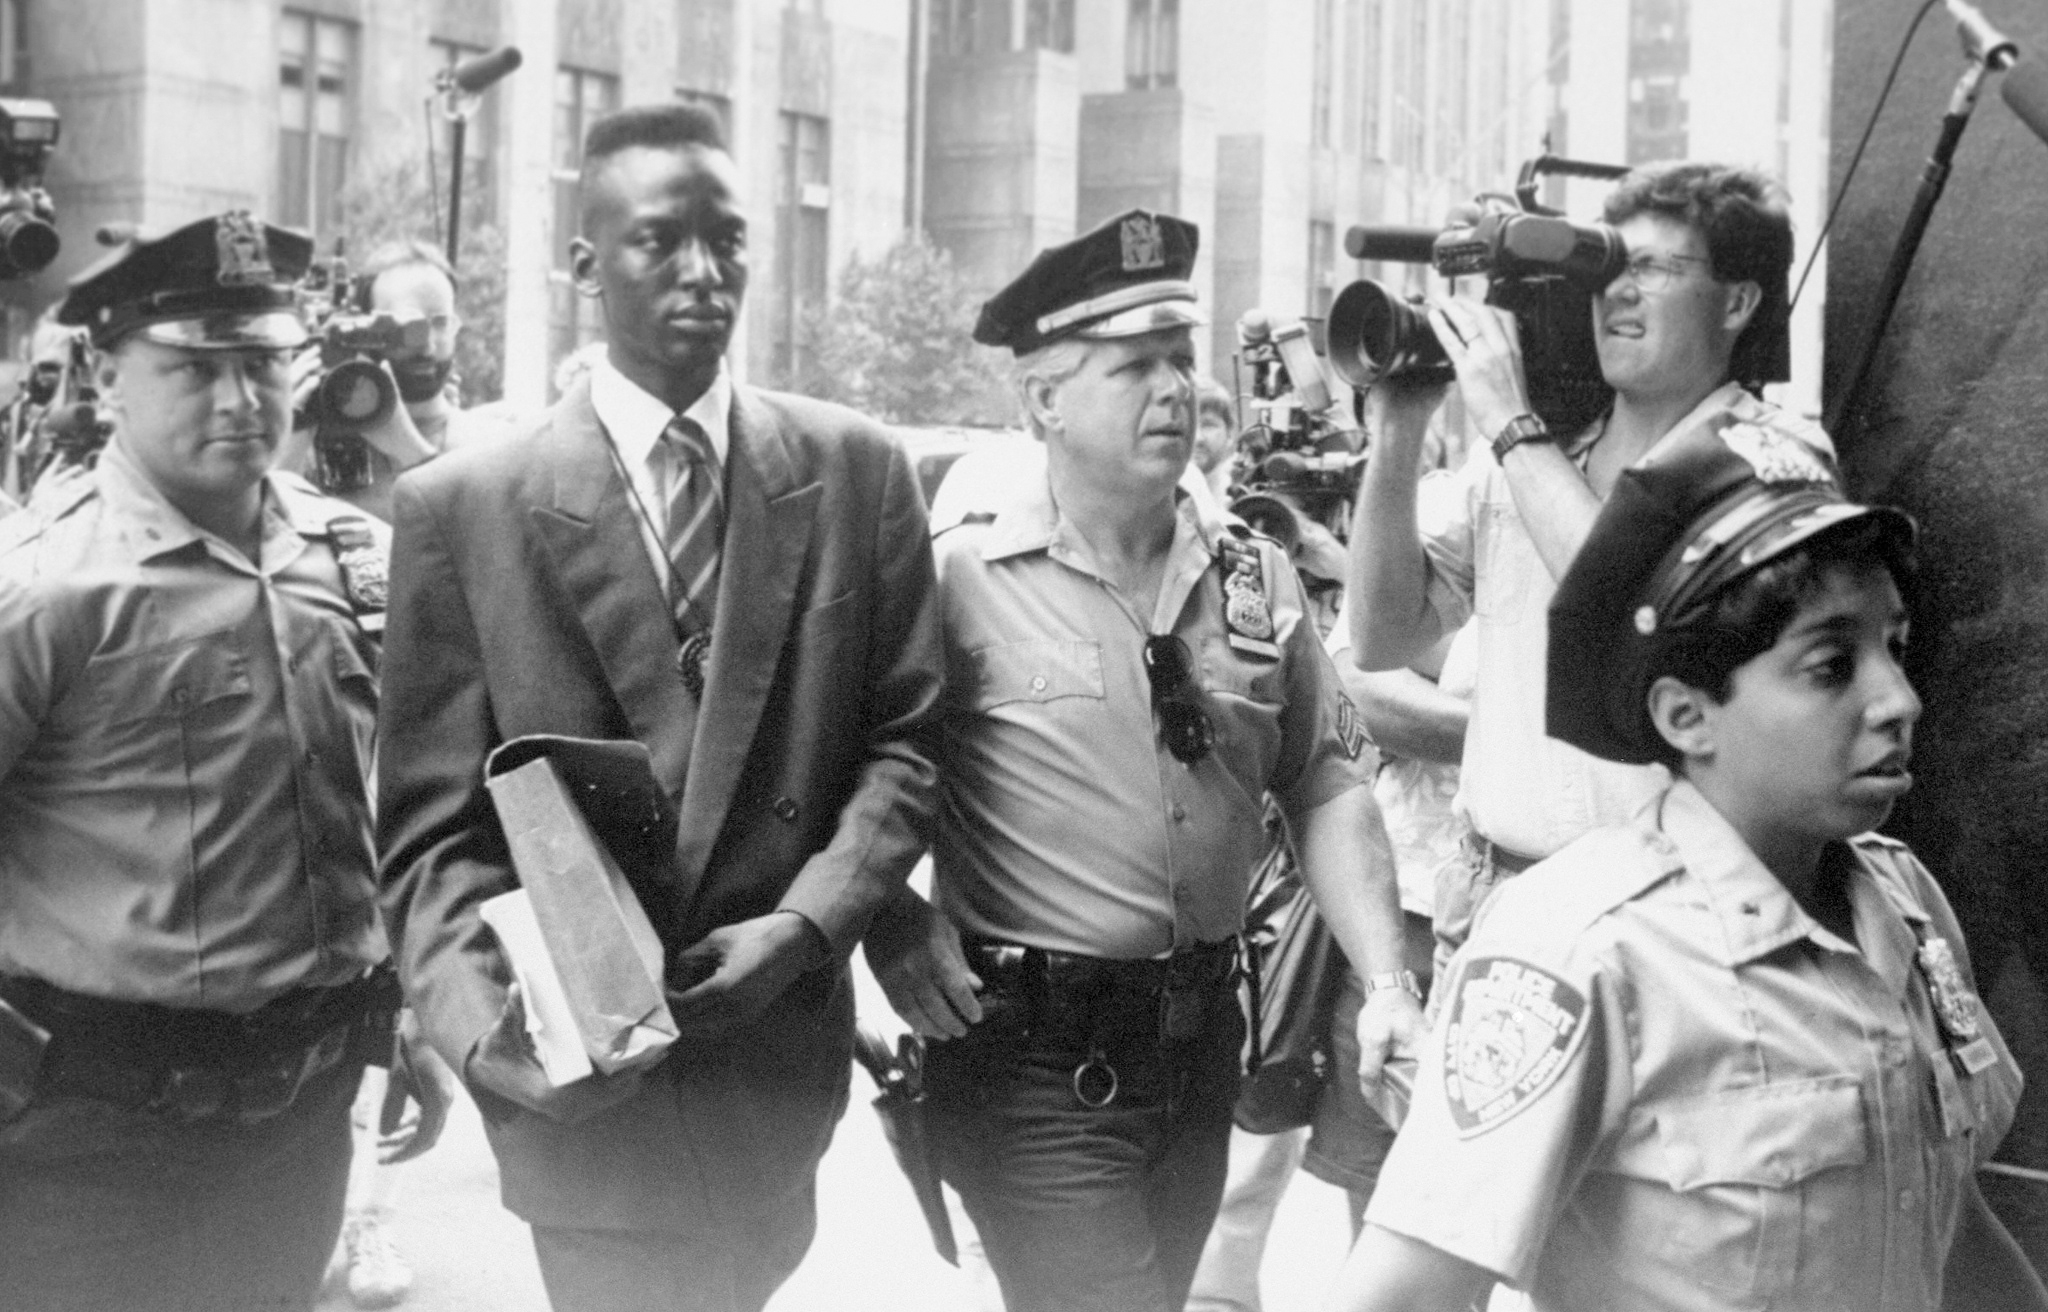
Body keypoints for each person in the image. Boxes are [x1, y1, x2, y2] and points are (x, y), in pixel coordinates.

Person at [375, 102, 944, 1312]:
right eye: (659, 241)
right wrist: (488, 1037)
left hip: (773, 1068)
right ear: (585, 266)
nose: (703, 273)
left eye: (729, 241)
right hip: (587, 1095)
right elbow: (429, 838)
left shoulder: (853, 469)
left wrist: (807, 926)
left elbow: (903, 742)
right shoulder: (465, 508)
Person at [1329, 421, 2047, 1312]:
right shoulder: (1584, 949)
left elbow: (1950, 1222)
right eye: (1831, 666)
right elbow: (1399, 1291)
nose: (1898, 700)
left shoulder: (1902, 905)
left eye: (1894, 648)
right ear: (1685, 715)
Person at [863, 209, 1423, 1312]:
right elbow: (857, 769)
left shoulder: (1255, 576)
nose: (1172, 387)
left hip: (1198, 1047)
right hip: (1027, 1054)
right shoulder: (955, 576)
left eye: (1178, 356)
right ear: (1040, 401)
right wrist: (888, 915)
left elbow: (1320, 779)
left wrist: (1390, 981)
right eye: (1132, 366)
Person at [0, 212, 444, 1312]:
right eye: (196, 368)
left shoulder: (348, 559)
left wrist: (411, 1018)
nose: (242, 400)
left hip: (298, 1126)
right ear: (108, 376)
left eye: (262, 362)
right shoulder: (46, 589)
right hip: (85, 1144)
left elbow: (369, 822)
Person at [1347, 162, 1828, 976]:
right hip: (1497, 900)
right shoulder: (1535, 451)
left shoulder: (1769, 456)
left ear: (1738, 301)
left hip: (1671, 929)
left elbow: (1634, 610)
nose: (1617, 294)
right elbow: (1382, 636)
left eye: (1652, 270)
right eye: (1608, 269)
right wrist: (1396, 432)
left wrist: (1505, 415)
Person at [283, 238, 510, 521]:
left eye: (440, 323)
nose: (427, 345)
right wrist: (288, 433)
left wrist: (411, 451)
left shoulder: (495, 444)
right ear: (362, 330)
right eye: (407, 327)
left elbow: (496, 548)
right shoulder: (314, 444)